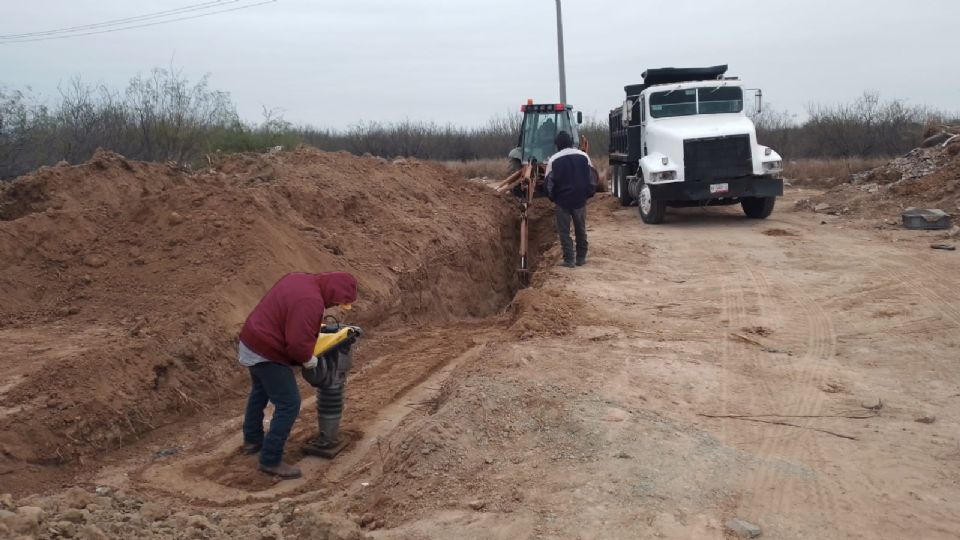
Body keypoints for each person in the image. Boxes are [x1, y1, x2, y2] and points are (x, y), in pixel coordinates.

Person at [237, 271, 358, 479]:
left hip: (252, 340)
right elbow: (296, 344)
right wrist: (308, 359)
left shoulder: (302, 280)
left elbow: (291, 318)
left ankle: (252, 441)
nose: (334, 305)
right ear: (333, 292)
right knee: (289, 403)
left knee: (260, 391)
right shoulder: (311, 301)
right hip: (267, 351)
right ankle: (270, 460)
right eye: (337, 302)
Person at [545, 131, 596, 267]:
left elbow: (549, 184)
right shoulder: (584, 156)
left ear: (557, 145)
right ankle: (581, 257)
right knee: (580, 229)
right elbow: (592, 178)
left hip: (562, 202)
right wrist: (587, 194)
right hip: (580, 200)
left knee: (564, 232)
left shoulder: (553, 160)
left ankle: (569, 260)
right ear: (571, 142)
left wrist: (553, 198)